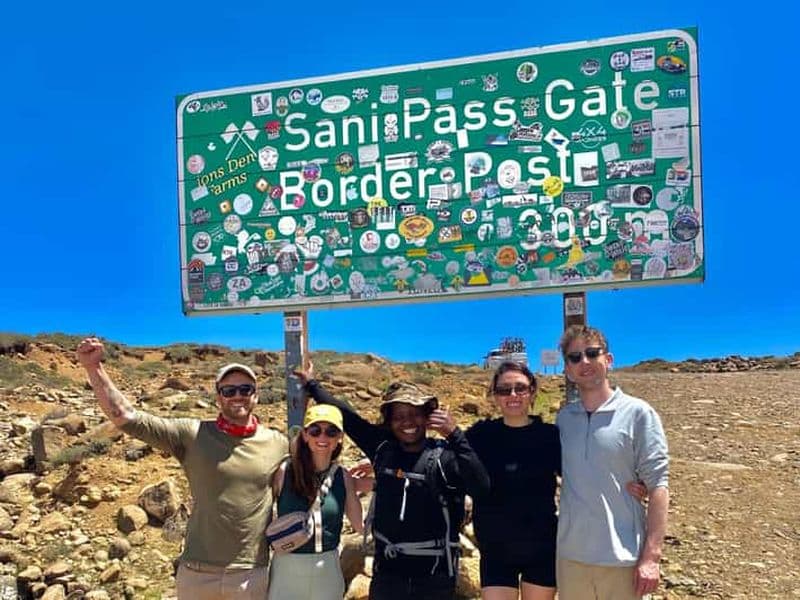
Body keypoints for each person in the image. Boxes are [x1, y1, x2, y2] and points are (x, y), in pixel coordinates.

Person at [76, 337, 288, 600]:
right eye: (228, 391)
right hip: (197, 572)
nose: (238, 396)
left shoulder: (278, 443)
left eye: (245, 389)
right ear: (218, 397)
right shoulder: (193, 434)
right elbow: (126, 417)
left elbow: (311, 471)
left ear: (255, 395)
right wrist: (93, 368)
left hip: (250, 573)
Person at [295, 367, 490, 600]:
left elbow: (481, 488)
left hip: (434, 579)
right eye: (398, 416)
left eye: (415, 413)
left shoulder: (445, 457)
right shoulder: (382, 449)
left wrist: (455, 434)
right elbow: (348, 417)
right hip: (387, 576)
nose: (407, 421)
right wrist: (312, 385)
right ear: (389, 421)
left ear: (427, 416)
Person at [556, 325, 670, 600]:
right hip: (571, 559)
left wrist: (651, 557)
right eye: (574, 357)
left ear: (608, 360)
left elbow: (658, 486)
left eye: (592, 353)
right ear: (568, 370)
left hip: (623, 558)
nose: (584, 362)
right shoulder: (564, 419)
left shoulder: (638, 413)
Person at [464, 361, 560, 600]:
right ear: (495, 395)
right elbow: (439, 461)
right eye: (505, 390)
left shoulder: (550, 437)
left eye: (520, 388)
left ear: (533, 391)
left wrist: (631, 480)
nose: (513, 395)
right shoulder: (479, 435)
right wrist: (380, 465)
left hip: (542, 547)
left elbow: (581, 475)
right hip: (495, 549)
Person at [268, 404, 364, 599]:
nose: (322, 437)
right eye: (315, 430)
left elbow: (360, 525)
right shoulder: (285, 471)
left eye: (331, 431)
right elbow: (264, 514)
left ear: (339, 438)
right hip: (287, 566)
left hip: (327, 566)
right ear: (305, 435)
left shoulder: (342, 476)